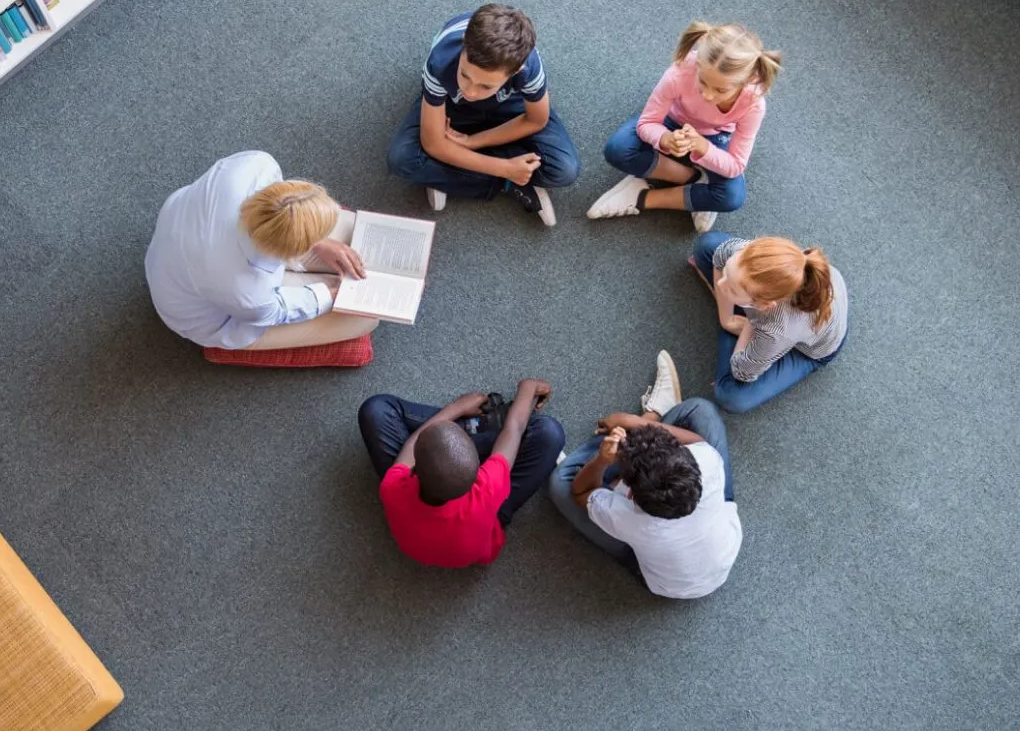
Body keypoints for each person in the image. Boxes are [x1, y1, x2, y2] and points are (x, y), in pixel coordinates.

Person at [548, 351, 741, 599]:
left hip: (663, 581)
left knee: (561, 483)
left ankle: (640, 426)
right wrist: (629, 421)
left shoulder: (631, 521)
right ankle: (648, 420)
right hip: (721, 556)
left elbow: (580, 492)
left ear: (630, 494)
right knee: (699, 411)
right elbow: (698, 442)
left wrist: (603, 460)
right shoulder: (707, 463)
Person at [144, 150, 378, 350]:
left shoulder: (256, 166)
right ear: (291, 250)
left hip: (186, 243)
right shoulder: (247, 294)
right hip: (213, 312)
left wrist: (319, 241)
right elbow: (276, 310)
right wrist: (328, 296)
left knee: (351, 236)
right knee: (363, 321)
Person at [385, 4, 581, 227]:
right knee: (401, 158)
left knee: (564, 169)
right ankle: (510, 182)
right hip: (452, 106)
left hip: (510, 105)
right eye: (465, 75)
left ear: (516, 72)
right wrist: (505, 169)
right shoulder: (440, 62)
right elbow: (433, 144)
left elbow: (536, 120)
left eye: (485, 86)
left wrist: (470, 142)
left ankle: (449, 172)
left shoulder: (529, 67)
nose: (470, 92)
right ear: (463, 49)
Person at [587, 20, 782, 233]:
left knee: (732, 197)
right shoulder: (680, 71)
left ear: (746, 81)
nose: (708, 95)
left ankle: (643, 198)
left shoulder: (754, 103)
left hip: (716, 137)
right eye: (703, 82)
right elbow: (648, 123)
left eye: (720, 90)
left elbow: (736, 165)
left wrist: (703, 148)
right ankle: (694, 181)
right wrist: (664, 138)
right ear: (697, 64)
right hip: (672, 120)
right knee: (618, 149)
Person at [358, 380, 566, 568]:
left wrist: (457, 407)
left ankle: (467, 429)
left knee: (376, 409)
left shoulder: (393, 487)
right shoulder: (486, 488)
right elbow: (515, 429)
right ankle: (478, 431)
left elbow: (416, 441)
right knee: (549, 433)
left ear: (413, 469)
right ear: (479, 471)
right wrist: (527, 388)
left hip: (425, 528)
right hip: (487, 518)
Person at [690, 231, 848, 413]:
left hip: (813, 348)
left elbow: (742, 371)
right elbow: (720, 257)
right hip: (785, 315)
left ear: (764, 305)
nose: (720, 284)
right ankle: (739, 309)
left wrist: (752, 324)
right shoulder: (741, 251)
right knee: (706, 245)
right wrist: (726, 319)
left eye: (731, 289)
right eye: (727, 273)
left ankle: (747, 324)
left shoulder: (776, 330)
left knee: (731, 396)